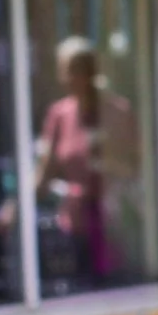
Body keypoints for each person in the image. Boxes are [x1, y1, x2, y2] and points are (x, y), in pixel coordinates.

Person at [32, 36, 137, 283]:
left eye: (76, 71)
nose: (70, 79)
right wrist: (17, 207)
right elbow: (45, 170)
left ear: (91, 72)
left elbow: (136, 167)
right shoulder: (59, 115)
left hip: (113, 223)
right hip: (75, 223)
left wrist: (108, 162)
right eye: (65, 72)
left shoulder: (118, 112)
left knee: (111, 286)